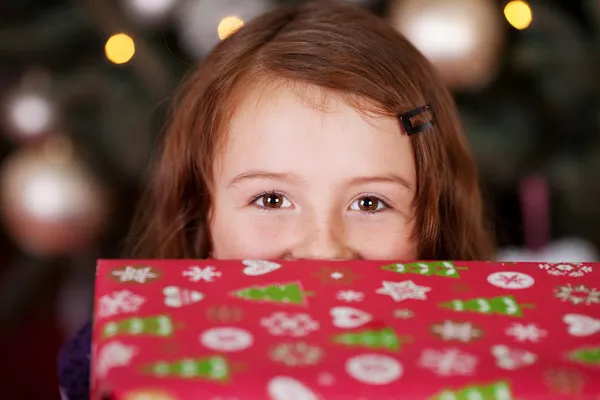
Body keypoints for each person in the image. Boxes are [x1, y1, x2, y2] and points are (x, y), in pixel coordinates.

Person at [58, 1, 494, 398]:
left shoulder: (489, 366)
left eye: (370, 203)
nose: (323, 251)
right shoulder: (119, 361)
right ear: (200, 214)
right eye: (270, 200)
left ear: (435, 215)